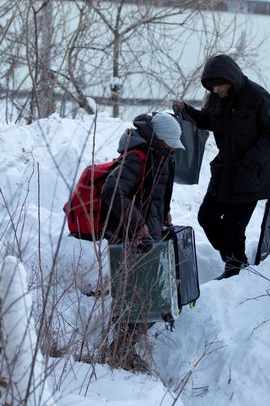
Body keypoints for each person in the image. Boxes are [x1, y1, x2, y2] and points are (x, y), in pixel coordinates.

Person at [173, 54, 270, 279]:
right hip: (224, 171)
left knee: (234, 226)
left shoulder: (257, 96)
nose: (216, 91)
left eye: (219, 86)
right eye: (211, 88)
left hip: (252, 173)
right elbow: (209, 121)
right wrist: (187, 111)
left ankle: (235, 269)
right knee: (206, 216)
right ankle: (235, 260)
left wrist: (250, 161)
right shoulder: (216, 98)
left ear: (230, 79)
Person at [100, 111, 183, 371]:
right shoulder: (137, 156)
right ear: (160, 140)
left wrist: (164, 210)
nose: (173, 149)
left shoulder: (161, 155)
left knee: (146, 298)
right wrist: (137, 225)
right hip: (131, 236)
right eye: (170, 144)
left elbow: (157, 190)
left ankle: (121, 351)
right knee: (141, 298)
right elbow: (112, 190)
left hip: (148, 233)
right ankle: (118, 353)